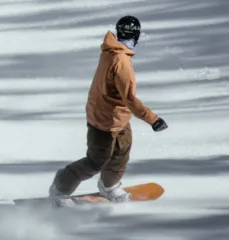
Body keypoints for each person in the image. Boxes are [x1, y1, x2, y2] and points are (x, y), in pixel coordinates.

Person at [48, 16, 168, 205]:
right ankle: (60, 188)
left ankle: (109, 186)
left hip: (117, 116)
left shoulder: (112, 51)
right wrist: (153, 119)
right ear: (136, 36)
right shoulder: (121, 61)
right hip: (104, 120)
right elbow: (130, 99)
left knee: (121, 153)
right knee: (97, 160)